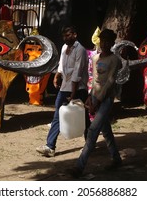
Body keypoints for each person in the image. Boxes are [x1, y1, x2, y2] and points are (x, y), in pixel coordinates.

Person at [67, 28, 122, 178]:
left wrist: (97, 101)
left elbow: (110, 82)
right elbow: (95, 81)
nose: (104, 44)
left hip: (106, 99)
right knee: (106, 131)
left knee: (92, 131)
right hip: (95, 98)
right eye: (102, 40)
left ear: (112, 43)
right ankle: (117, 159)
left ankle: (79, 167)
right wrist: (91, 97)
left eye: (108, 41)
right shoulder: (95, 58)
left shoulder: (115, 60)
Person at [36, 24, 89, 157]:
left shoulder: (80, 50)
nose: (66, 38)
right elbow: (61, 64)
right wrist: (57, 75)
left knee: (84, 118)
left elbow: (77, 73)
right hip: (65, 87)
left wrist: (73, 93)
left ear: (75, 35)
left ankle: (89, 145)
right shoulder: (65, 47)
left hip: (78, 89)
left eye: (68, 35)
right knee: (58, 116)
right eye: (64, 36)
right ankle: (50, 146)